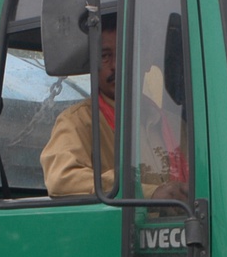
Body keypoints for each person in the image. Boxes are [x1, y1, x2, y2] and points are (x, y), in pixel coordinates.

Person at [39, 18, 192, 203]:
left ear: (146, 59)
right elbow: (61, 179)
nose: (115, 65)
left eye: (125, 54)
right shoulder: (78, 122)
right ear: (93, 64)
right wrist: (146, 192)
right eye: (105, 56)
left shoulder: (177, 126)